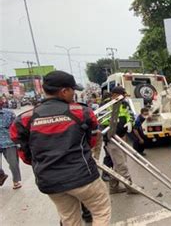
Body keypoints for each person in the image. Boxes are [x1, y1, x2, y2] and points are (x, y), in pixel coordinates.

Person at [9, 71, 111, 225]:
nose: (74, 94)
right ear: (64, 91)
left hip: (49, 181)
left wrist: (41, 163)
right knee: (101, 211)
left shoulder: (24, 119)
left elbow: (24, 152)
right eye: (72, 90)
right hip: (82, 176)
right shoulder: (81, 112)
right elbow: (92, 141)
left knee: (69, 219)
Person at [103, 86, 138, 194]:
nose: (123, 97)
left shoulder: (124, 103)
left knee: (119, 164)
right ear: (114, 95)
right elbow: (102, 120)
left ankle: (113, 187)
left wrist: (130, 122)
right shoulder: (105, 105)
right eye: (121, 95)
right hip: (112, 138)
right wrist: (114, 121)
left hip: (122, 137)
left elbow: (130, 115)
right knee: (121, 164)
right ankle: (130, 187)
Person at [0, 99, 21, 189]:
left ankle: (16, 181)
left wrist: (19, 141)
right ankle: (1, 175)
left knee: (13, 163)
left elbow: (16, 127)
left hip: (9, 142)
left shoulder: (9, 113)